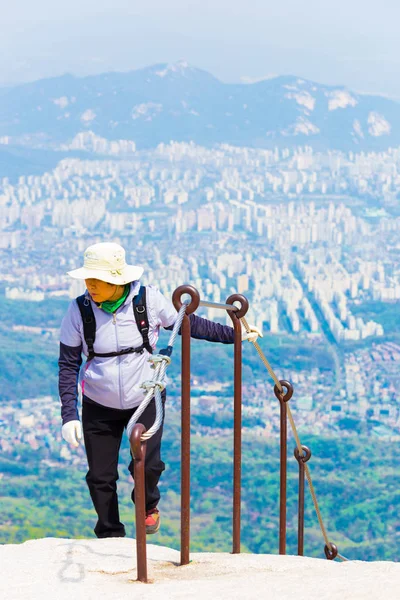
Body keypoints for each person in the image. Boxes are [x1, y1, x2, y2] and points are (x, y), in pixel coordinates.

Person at [58, 242, 262, 539]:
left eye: (96, 280)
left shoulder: (147, 301)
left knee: (149, 464)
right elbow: (68, 364)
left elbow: (188, 323)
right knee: (100, 476)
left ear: (116, 279)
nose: (89, 285)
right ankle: (110, 533)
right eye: (87, 279)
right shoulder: (79, 310)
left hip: (145, 395)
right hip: (98, 402)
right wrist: (69, 415)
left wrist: (235, 335)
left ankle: (147, 506)